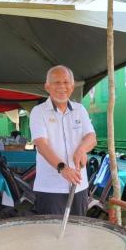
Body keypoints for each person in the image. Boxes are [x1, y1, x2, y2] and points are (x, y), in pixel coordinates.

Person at [29, 65, 97, 215]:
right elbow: (42, 145)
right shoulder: (38, 112)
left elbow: (91, 137)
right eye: (56, 82)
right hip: (50, 188)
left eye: (66, 82)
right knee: (51, 234)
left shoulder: (80, 109)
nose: (62, 87)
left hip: (79, 186)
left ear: (72, 87)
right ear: (47, 86)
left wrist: (82, 149)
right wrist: (63, 168)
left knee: (78, 232)